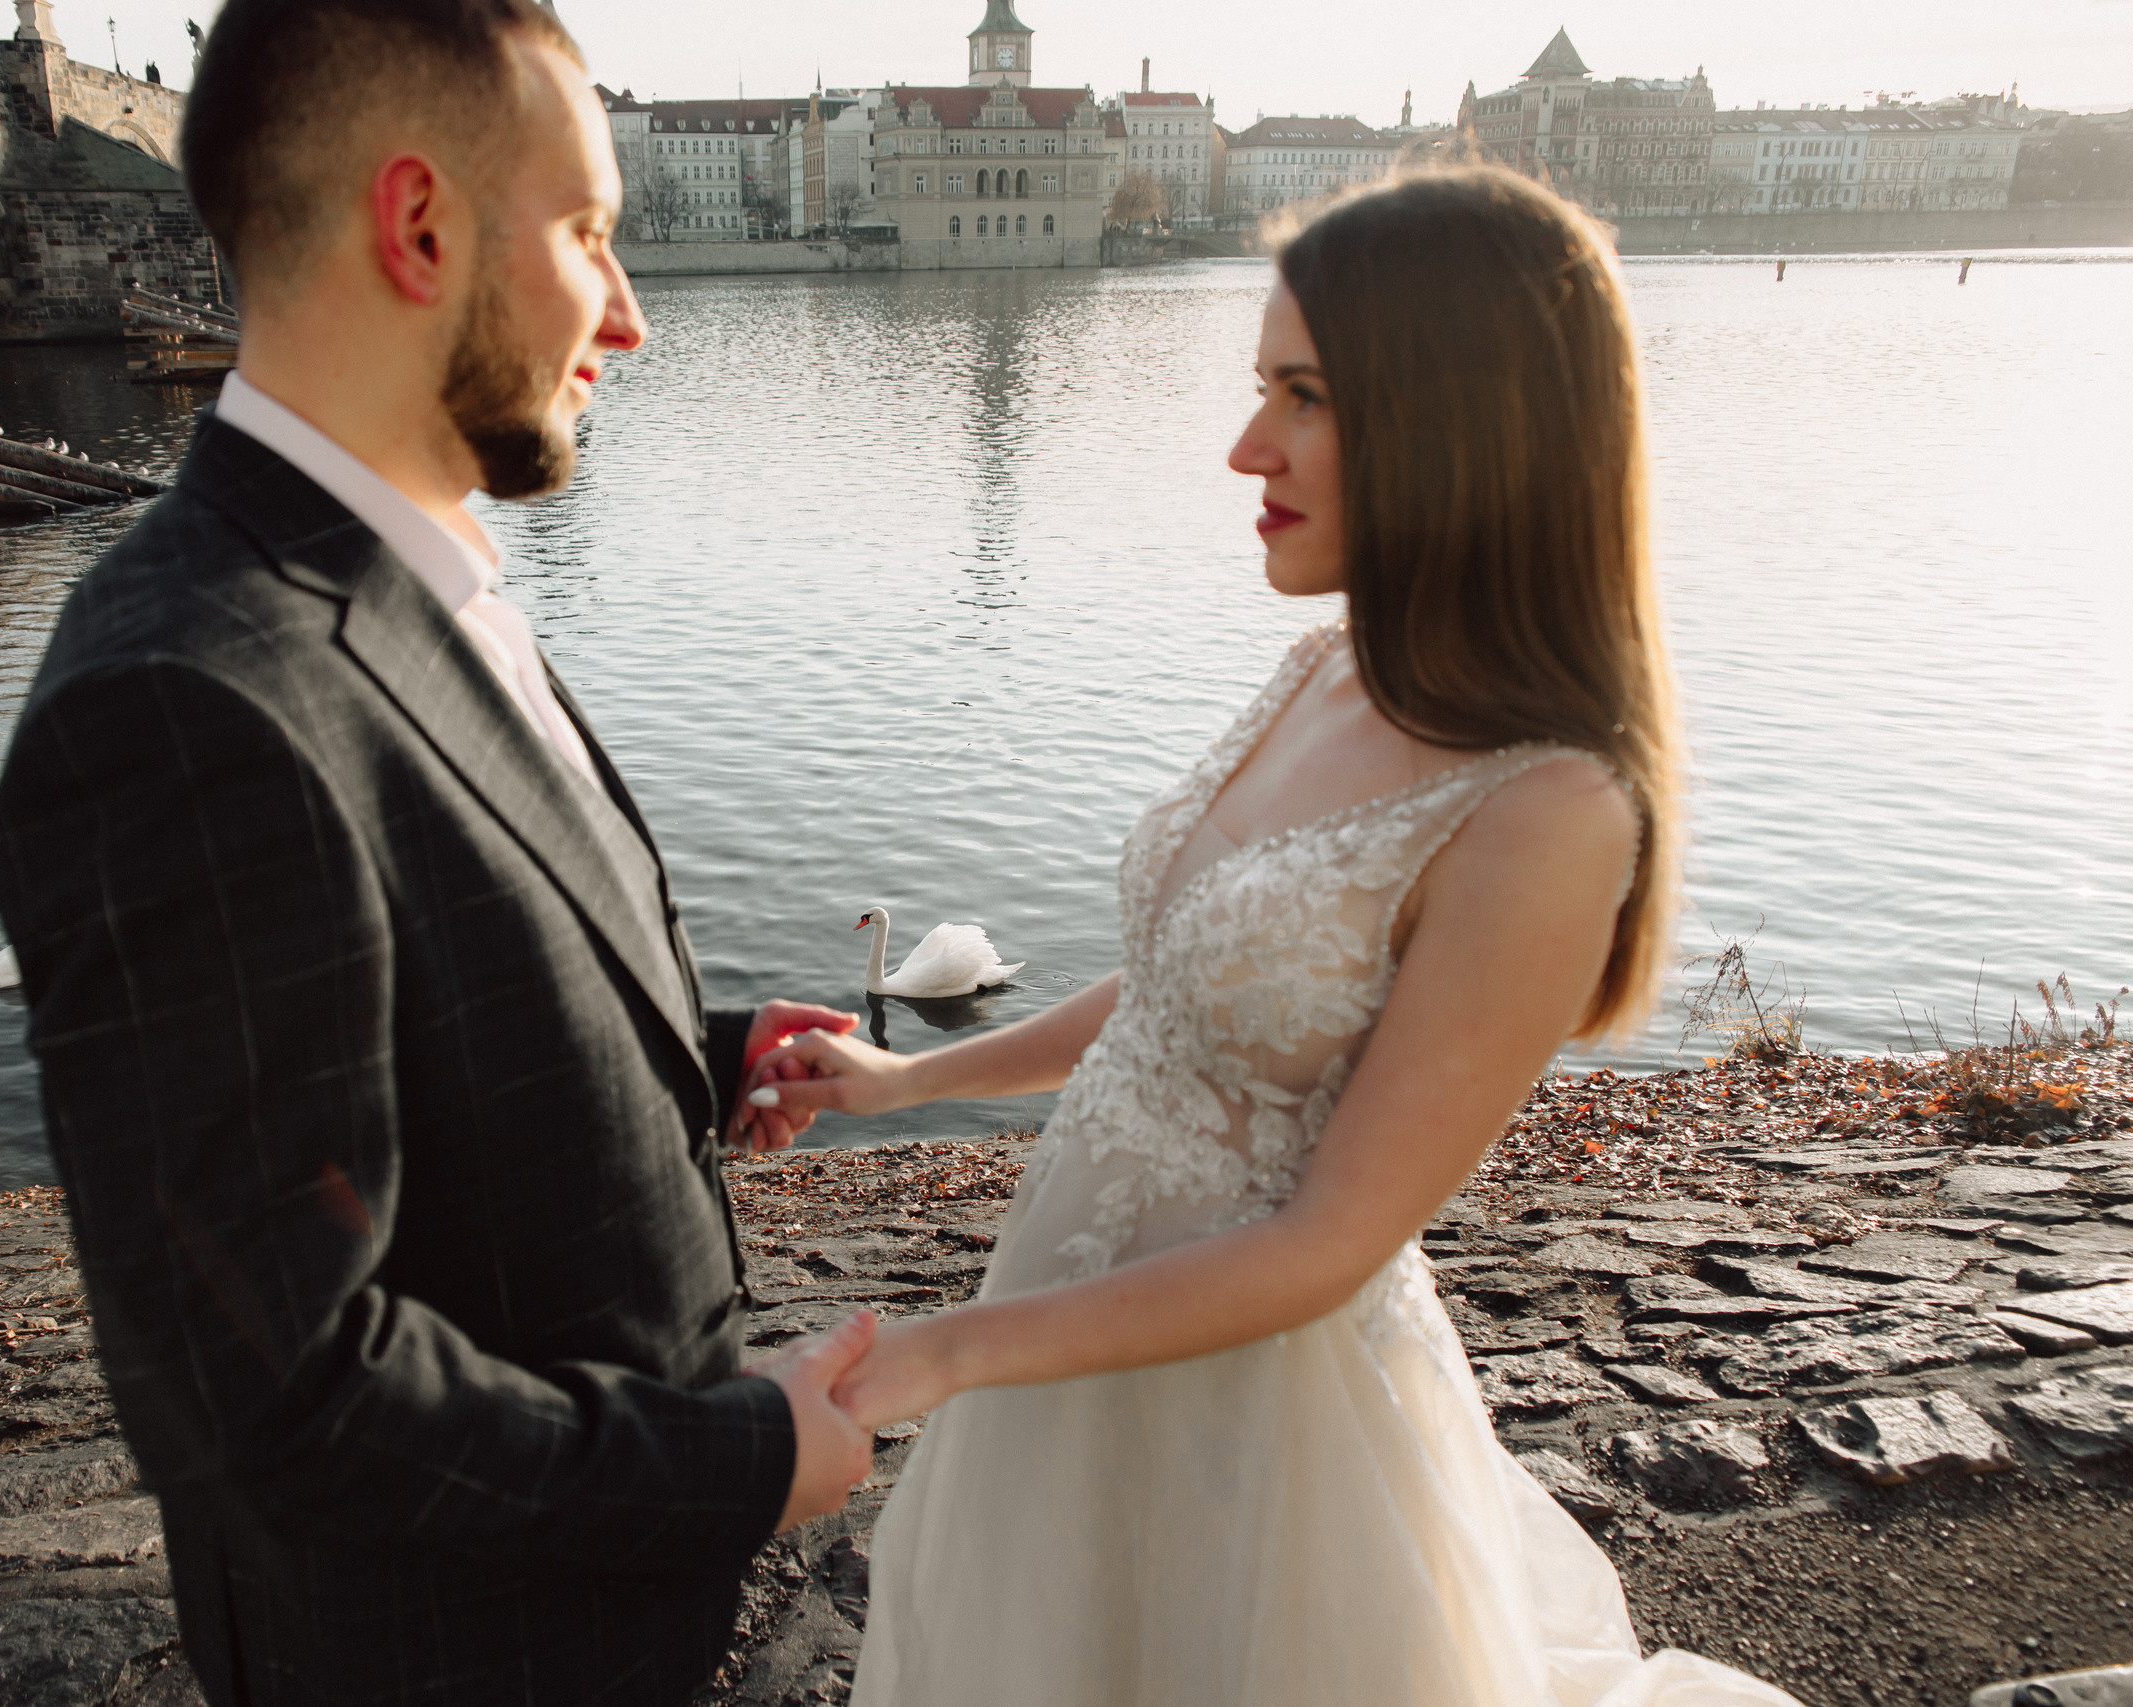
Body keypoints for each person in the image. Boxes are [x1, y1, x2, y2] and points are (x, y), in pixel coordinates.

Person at [748, 170, 1806, 1706]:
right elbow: (1187, 986)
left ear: (1464, 420)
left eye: (1302, 397)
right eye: (1262, 389)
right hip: (1064, 1342)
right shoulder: (1325, 668)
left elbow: (1326, 1246)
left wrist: (951, 1352)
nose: (1246, 447)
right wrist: (909, 1083)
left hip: (1258, 1429)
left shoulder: (1549, 810)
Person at [0, 3, 877, 1702]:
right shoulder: (184, 700)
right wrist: (739, 1465)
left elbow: (414, 1022)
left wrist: (689, 1060)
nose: (627, 315)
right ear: (419, 226)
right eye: (590, 234)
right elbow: (283, 1399)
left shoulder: (405, 567)